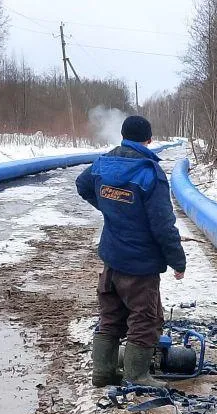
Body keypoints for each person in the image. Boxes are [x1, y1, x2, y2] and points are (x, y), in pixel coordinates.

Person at [75, 115, 185, 388]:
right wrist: (177, 260)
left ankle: (102, 373)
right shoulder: (149, 173)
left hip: (112, 260)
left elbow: (82, 184)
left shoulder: (103, 163)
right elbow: (163, 225)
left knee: (110, 317)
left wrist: (109, 208)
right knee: (145, 319)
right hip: (141, 265)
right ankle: (136, 375)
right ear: (149, 139)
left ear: (123, 135)